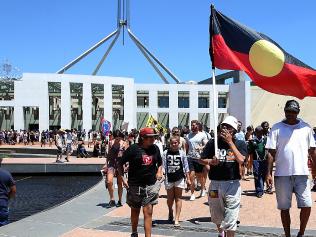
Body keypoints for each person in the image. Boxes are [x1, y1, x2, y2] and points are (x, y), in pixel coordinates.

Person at [265, 100, 316, 237]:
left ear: (298, 112)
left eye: (293, 111)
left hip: (302, 174)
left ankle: (301, 233)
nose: (290, 114)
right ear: (284, 110)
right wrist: (268, 173)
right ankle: (287, 234)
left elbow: (312, 151)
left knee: (306, 205)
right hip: (282, 174)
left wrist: (315, 170)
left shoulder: (306, 127)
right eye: (288, 111)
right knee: (284, 207)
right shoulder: (276, 128)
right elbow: (270, 152)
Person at [199, 116, 247, 237]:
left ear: (234, 131)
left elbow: (241, 160)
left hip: (232, 185)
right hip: (215, 184)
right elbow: (201, 160)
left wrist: (230, 142)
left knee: (231, 218)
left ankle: (229, 234)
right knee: (216, 215)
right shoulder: (213, 143)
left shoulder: (240, 143)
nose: (225, 129)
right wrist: (210, 161)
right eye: (223, 126)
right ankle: (221, 232)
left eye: (229, 127)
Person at [118, 127, 163, 237]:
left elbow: (160, 163)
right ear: (143, 138)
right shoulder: (133, 149)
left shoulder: (155, 148)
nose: (153, 139)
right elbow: (120, 163)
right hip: (135, 185)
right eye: (150, 137)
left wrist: (159, 172)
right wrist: (123, 179)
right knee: (135, 210)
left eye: (154, 137)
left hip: (150, 185)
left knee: (148, 211)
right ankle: (134, 232)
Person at [162, 136, 190, 227]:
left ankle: (177, 218)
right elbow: (163, 165)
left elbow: (186, 166)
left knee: (178, 198)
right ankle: (170, 210)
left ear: (179, 143)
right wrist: (162, 173)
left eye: (176, 143)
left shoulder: (182, 153)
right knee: (170, 199)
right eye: (172, 143)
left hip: (179, 178)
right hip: (169, 178)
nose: (174, 144)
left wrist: (188, 178)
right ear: (169, 144)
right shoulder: (165, 153)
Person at [185, 120, 208, 201]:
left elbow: (206, 145)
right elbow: (186, 146)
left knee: (200, 176)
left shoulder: (202, 135)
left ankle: (202, 189)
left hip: (199, 158)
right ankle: (192, 194)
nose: (193, 127)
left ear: (198, 126)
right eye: (192, 125)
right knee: (191, 176)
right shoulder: (188, 136)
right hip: (190, 157)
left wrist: (200, 148)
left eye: (194, 126)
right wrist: (185, 155)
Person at [105, 130, 128, 208]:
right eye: (116, 138)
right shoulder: (111, 142)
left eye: (119, 138)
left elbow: (127, 155)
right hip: (112, 163)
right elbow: (108, 155)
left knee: (119, 183)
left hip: (120, 163)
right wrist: (106, 164)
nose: (118, 140)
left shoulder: (124, 143)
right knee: (109, 181)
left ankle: (120, 200)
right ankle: (112, 199)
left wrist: (126, 164)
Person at [248, 126, 267, 198]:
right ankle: (259, 191)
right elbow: (250, 152)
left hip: (264, 160)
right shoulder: (252, 141)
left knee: (263, 175)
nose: (260, 133)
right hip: (256, 160)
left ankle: (261, 187)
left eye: (261, 132)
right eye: (258, 132)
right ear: (255, 132)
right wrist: (250, 161)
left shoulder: (265, 139)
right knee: (257, 175)